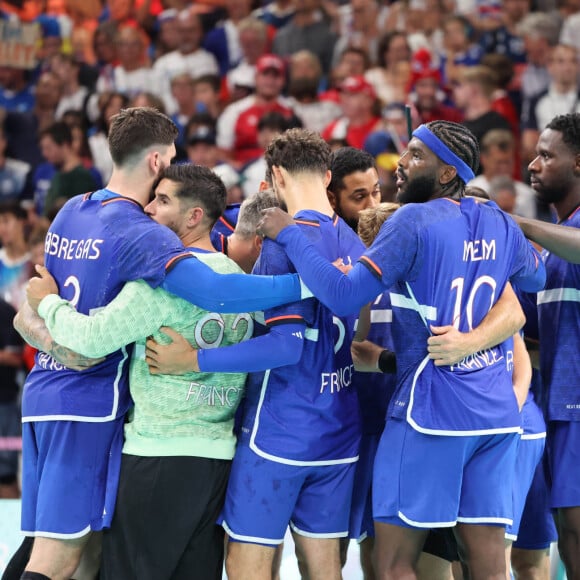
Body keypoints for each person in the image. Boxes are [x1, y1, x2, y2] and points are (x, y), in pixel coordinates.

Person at [11, 107, 310, 580]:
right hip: (94, 407)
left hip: (47, 393)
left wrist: (48, 318)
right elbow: (217, 293)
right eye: (168, 159)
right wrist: (308, 285)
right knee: (61, 557)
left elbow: (30, 309)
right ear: (155, 161)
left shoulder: (74, 208)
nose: (155, 204)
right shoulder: (144, 233)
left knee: (68, 553)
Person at [257, 120, 546, 579]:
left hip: (429, 413)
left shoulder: (412, 220)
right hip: (495, 416)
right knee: (488, 567)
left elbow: (343, 295)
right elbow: (534, 277)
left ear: (448, 173)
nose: (401, 165)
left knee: (393, 565)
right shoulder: (496, 219)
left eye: (415, 156)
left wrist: (289, 233)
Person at [146, 128, 365, 580]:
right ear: (327, 176)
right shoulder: (352, 239)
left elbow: (285, 345)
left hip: (281, 432)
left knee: (246, 566)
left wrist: (194, 361)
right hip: (339, 429)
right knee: (325, 568)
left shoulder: (283, 240)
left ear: (276, 177)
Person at [25, 163, 253, 580]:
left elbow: (92, 339)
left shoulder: (160, 282)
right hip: (218, 458)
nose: (148, 208)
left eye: (162, 200)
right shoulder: (239, 280)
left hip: (156, 455)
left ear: (194, 216)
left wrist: (47, 303)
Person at [515, 112, 580, 579]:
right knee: (570, 533)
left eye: (546, 155)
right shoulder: (547, 252)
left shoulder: (557, 238)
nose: (533, 165)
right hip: (558, 405)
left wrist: (514, 222)